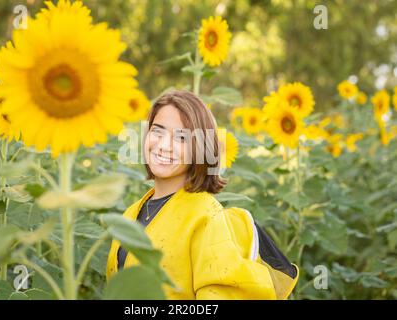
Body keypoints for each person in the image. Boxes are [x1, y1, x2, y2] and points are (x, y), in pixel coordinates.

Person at [106, 90, 298, 299]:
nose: (163, 145)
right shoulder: (131, 213)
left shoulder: (206, 216)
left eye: (180, 137)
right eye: (157, 131)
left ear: (199, 147)